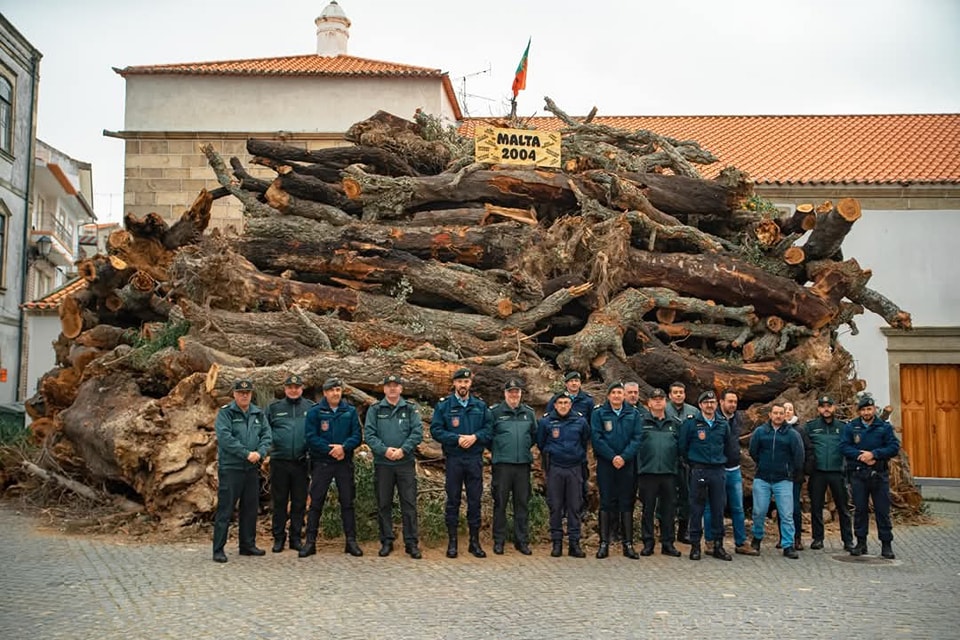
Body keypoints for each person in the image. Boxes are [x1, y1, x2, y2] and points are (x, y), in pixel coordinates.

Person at [430, 367, 493, 559]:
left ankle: (474, 542)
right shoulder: (444, 406)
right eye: (459, 382)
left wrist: (475, 437)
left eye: (466, 382)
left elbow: (489, 429)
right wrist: (456, 438)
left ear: (470, 384)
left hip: (474, 459)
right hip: (454, 459)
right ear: (454, 383)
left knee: (475, 501)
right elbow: (436, 430)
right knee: (453, 501)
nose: (463, 385)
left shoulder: (480, 406)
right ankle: (453, 543)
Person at [300, 378, 363, 558]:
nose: (336, 393)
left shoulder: (349, 411)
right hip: (323, 463)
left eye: (338, 389)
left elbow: (357, 435)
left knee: (347, 502)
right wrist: (330, 450)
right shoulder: (315, 412)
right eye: (332, 390)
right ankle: (310, 543)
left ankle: (351, 542)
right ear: (325, 393)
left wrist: (343, 448)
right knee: (316, 502)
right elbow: (311, 437)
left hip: (344, 463)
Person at [363, 374, 424, 559]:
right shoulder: (375, 409)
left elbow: (417, 433)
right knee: (384, 503)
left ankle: (411, 543)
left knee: (409, 504)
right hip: (383, 464)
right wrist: (384, 450)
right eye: (388, 386)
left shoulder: (410, 409)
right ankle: (387, 541)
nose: (392, 389)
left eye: (395, 386)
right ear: (384, 389)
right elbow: (369, 434)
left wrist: (403, 450)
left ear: (401, 389)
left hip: (404, 463)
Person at [212, 378, 272, 563]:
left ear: (251, 394)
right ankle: (218, 549)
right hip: (232, 468)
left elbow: (267, 435)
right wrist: (246, 453)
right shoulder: (226, 413)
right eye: (240, 393)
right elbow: (225, 438)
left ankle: (247, 545)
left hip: (251, 468)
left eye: (247, 393)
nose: (244, 395)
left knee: (250, 508)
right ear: (234, 394)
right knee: (226, 509)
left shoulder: (258, 413)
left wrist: (260, 453)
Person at [841, 396, 900, 559]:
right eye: (863, 410)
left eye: (869, 409)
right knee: (860, 510)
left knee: (882, 510)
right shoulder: (852, 427)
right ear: (859, 411)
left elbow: (894, 447)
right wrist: (861, 456)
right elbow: (844, 446)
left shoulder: (884, 427)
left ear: (874, 409)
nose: (866, 412)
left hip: (879, 474)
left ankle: (886, 544)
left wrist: (875, 454)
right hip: (858, 474)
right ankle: (861, 543)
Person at [679, 390, 734, 561]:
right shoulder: (691, 423)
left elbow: (728, 446)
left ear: (716, 405)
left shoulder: (723, 424)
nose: (709, 406)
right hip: (699, 469)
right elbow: (682, 446)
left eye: (712, 403)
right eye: (706, 403)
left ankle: (718, 545)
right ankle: (695, 546)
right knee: (697, 509)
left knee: (718, 509)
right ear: (700, 405)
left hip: (717, 469)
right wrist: (693, 463)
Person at [591, 381, 643, 559]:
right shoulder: (599, 413)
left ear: (624, 396)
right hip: (607, 464)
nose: (616, 396)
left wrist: (623, 457)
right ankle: (604, 543)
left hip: (626, 464)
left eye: (619, 393)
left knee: (626, 502)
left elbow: (637, 438)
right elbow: (597, 438)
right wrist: (613, 457)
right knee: (606, 502)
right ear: (608, 396)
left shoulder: (633, 414)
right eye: (613, 393)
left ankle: (627, 544)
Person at [748, 403, 805, 559]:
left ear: (784, 415)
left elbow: (799, 455)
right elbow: (753, 451)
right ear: (770, 415)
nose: (778, 416)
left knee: (786, 513)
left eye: (781, 413)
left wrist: (790, 470)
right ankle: (757, 538)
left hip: (783, 480)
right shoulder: (760, 432)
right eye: (775, 413)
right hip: (762, 478)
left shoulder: (792, 435)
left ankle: (788, 545)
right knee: (759, 511)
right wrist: (762, 464)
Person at [704, 389, 757, 556]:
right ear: (721, 402)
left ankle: (741, 542)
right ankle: (710, 541)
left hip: (734, 469)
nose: (733, 405)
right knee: (712, 507)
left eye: (735, 402)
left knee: (737, 507)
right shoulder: (714, 419)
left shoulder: (737, 418)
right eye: (730, 402)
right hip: (716, 469)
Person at [265, 373, 314, 553]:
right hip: (280, 461)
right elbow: (264, 430)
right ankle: (278, 539)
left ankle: (295, 538)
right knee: (279, 502)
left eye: (297, 387)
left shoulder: (310, 407)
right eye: (290, 387)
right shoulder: (274, 408)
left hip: (301, 462)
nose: (293, 390)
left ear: (301, 389)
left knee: (299, 502)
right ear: (285, 389)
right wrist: (271, 448)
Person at [489, 378, 538, 555]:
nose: (514, 395)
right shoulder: (495, 412)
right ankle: (499, 541)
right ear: (505, 394)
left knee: (522, 504)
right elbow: (488, 436)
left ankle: (521, 541)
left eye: (517, 392)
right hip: (502, 465)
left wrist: (523, 449)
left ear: (520, 394)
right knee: (500, 503)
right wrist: (499, 450)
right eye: (511, 392)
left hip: (522, 465)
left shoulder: (529, 413)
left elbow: (534, 436)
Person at [537, 395, 589, 558]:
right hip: (555, 468)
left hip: (574, 468)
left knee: (575, 507)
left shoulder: (580, 421)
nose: (563, 405)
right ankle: (557, 543)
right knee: (556, 506)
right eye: (560, 403)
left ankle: (574, 544)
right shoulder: (546, 422)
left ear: (571, 404)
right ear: (555, 405)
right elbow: (541, 442)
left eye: (566, 403)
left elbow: (585, 440)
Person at [634, 388, 682, 557]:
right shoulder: (641, 422)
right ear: (649, 403)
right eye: (654, 399)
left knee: (669, 510)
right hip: (648, 473)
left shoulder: (674, 423)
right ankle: (648, 543)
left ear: (665, 402)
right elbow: (635, 446)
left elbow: (680, 448)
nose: (658, 402)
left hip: (669, 473)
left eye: (661, 399)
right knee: (648, 510)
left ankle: (668, 543)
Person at [805, 395, 853, 552]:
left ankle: (848, 540)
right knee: (816, 506)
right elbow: (805, 447)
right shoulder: (811, 427)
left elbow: (849, 447)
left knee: (843, 507)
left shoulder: (843, 427)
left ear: (834, 408)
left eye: (829, 406)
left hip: (837, 472)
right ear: (818, 409)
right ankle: (818, 539)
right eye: (823, 406)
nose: (826, 409)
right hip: (818, 472)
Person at [667, 381, 698, 544]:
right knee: (668, 496)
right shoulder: (664, 410)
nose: (678, 395)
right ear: (670, 395)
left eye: (681, 392)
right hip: (668, 459)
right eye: (675, 392)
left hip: (687, 460)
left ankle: (683, 531)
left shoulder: (693, 411)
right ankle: (667, 532)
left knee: (686, 496)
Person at [777, 401, 809, 550]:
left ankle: (797, 537)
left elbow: (806, 452)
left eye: (790, 409)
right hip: (779, 474)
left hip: (795, 475)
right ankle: (782, 536)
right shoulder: (776, 429)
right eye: (785, 409)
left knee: (794, 507)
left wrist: (802, 470)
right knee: (781, 507)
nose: (787, 412)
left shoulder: (800, 430)